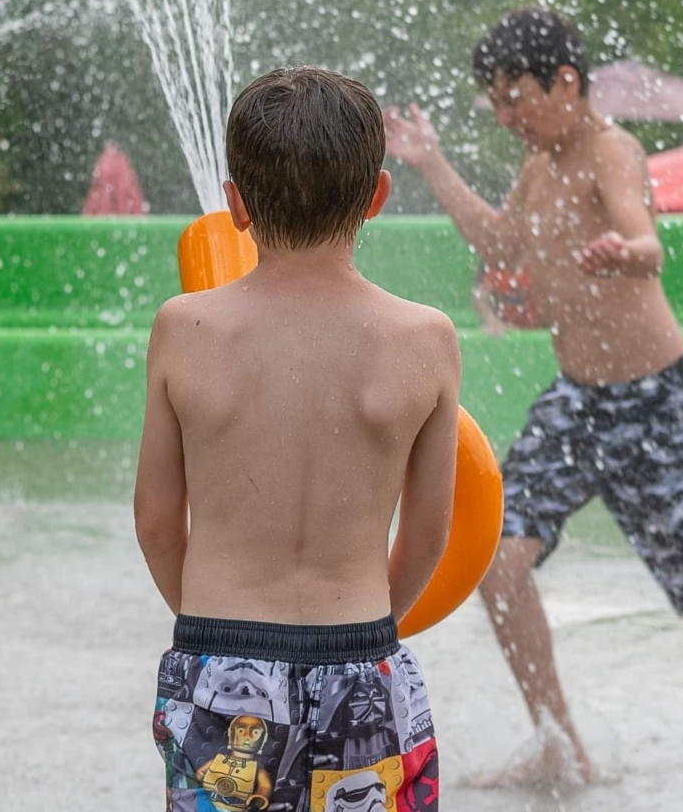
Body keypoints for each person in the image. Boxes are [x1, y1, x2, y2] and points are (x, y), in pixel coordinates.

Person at [383, 6, 683, 786]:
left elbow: (646, 241)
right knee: (497, 563)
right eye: (495, 103)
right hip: (578, 403)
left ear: (566, 82)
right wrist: (432, 164)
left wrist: (625, 251)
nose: (507, 118)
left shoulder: (613, 150)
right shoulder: (539, 168)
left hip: (653, 406)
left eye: (517, 98)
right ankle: (560, 747)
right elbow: (503, 242)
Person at [135, 66, 460, 812]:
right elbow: (431, 532)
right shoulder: (425, 339)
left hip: (221, 659)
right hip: (361, 656)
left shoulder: (184, 329)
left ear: (237, 206)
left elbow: (155, 521)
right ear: (377, 196)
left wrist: (210, 638)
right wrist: (374, 629)